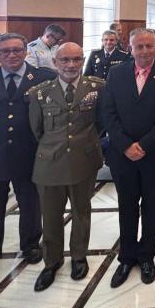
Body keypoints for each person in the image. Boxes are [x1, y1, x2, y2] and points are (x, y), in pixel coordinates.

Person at [0, 33, 57, 279]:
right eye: (5, 51)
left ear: (26, 50)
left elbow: (54, 120)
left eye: (16, 50)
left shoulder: (46, 79)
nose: (11, 55)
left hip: (30, 155)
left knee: (31, 204)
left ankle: (30, 244)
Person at [102, 28, 155, 288]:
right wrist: (126, 146)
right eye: (140, 47)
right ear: (130, 47)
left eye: (149, 46)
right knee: (126, 206)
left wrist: (143, 145)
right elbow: (108, 113)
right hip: (122, 155)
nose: (146, 51)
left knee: (151, 206)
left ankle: (146, 255)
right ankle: (126, 257)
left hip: (154, 154)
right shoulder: (116, 73)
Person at [28, 43, 104, 291]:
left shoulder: (96, 88)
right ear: (55, 62)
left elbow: (101, 123)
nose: (71, 65)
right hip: (50, 162)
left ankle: (79, 257)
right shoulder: (39, 92)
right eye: (65, 60)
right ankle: (52, 261)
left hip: (84, 160)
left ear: (82, 60)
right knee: (50, 216)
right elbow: (36, 129)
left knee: (81, 212)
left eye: (76, 60)